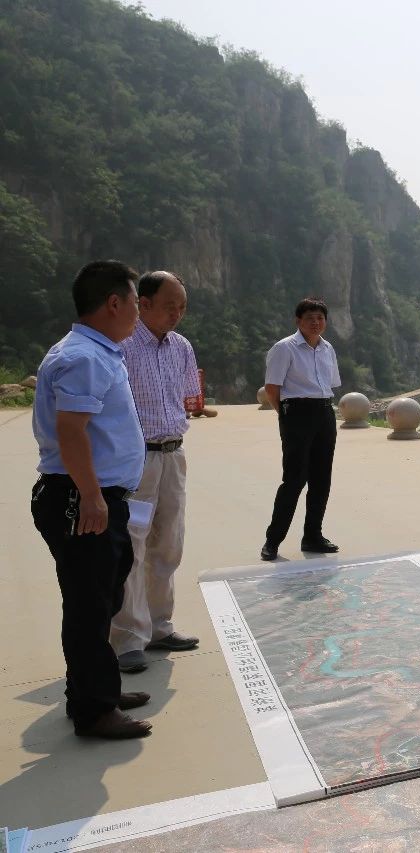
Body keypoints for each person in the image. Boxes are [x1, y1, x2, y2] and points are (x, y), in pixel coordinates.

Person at [30, 260, 152, 738]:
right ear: (114, 303)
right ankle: (95, 710)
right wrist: (91, 497)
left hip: (95, 496)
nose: (138, 314)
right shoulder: (84, 357)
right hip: (80, 498)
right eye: (136, 303)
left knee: (101, 599)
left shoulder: (98, 353)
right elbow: (71, 432)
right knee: (88, 605)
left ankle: (92, 689)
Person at [111, 271, 202, 674]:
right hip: (136, 462)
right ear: (143, 304)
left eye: (181, 307)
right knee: (131, 547)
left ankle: (159, 626)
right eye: (169, 306)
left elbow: (186, 398)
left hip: (172, 456)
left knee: (168, 543)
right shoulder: (122, 347)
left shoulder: (181, 346)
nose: (176, 314)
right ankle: (128, 639)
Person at [259, 297, 343, 561]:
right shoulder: (284, 348)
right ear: (298, 321)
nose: (315, 322)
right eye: (309, 318)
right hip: (296, 413)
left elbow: (330, 383)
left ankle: (313, 536)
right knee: (294, 479)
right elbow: (272, 388)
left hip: (325, 412)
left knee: (321, 478)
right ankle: (273, 540)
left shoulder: (328, 348)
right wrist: (286, 416)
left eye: (320, 318)